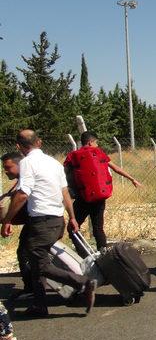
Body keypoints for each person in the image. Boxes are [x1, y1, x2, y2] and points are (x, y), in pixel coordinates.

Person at [1, 130, 96, 317]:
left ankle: (83, 283)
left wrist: (7, 220)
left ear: (19, 147)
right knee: (35, 260)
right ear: (39, 142)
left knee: (40, 264)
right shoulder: (53, 163)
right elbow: (65, 193)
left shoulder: (27, 162)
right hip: (56, 220)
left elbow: (22, 194)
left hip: (41, 221)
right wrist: (73, 217)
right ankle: (39, 304)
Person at [64, 131, 141, 253]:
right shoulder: (99, 153)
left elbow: (65, 172)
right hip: (99, 197)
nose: (97, 145)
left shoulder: (73, 156)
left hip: (83, 197)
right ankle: (103, 253)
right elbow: (116, 168)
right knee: (98, 228)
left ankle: (83, 252)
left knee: (72, 227)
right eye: (96, 142)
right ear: (90, 142)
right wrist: (132, 179)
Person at [0, 152, 32, 301]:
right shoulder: (21, 180)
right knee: (30, 254)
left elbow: (22, 199)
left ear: (20, 165)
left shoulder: (25, 181)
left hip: (37, 221)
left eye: (8, 167)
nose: (5, 171)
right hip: (37, 221)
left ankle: (32, 289)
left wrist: (7, 220)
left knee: (25, 254)